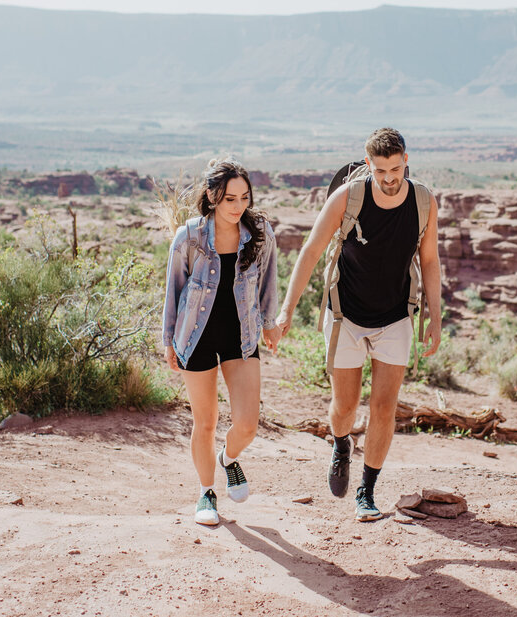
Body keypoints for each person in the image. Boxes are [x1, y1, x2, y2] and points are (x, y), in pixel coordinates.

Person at [276, 128, 441, 522]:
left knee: (384, 408)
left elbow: (430, 260)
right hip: (346, 315)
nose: (389, 178)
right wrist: (286, 310)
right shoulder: (347, 198)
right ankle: (340, 443)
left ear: (406, 163)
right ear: (369, 165)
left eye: (396, 169)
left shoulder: (422, 201)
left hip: (396, 316)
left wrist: (435, 316)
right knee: (345, 407)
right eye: (381, 170)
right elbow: (311, 251)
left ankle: (366, 491)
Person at [162, 158, 281, 526]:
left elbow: (268, 279)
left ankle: (228, 459)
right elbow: (174, 290)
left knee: (247, 423)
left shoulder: (259, 232)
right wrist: (168, 341)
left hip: (241, 335)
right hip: (195, 335)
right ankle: (206, 494)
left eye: (244, 197)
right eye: (230, 199)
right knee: (206, 421)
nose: (238, 206)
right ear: (213, 197)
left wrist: (269, 322)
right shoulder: (190, 236)